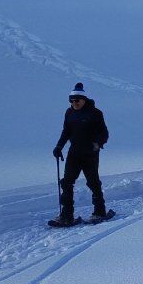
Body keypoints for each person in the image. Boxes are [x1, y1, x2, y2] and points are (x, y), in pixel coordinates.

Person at [51, 82, 110, 225]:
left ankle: (100, 212)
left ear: (83, 99)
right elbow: (66, 131)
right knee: (66, 182)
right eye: (71, 100)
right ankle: (67, 215)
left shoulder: (95, 113)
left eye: (77, 100)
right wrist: (59, 146)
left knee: (93, 182)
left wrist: (97, 144)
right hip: (74, 153)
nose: (74, 103)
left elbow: (104, 133)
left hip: (90, 153)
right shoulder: (69, 113)